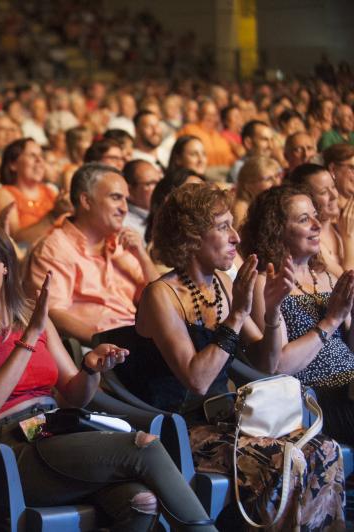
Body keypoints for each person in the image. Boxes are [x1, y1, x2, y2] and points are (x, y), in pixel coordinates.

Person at [0, 218, 216, 531]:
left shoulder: (30, 315)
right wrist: (29, 339)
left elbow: (73, 393)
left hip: (56, 429)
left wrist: (91, 369)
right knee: (144, 447)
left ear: (3, 264)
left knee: (140, 503)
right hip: (8, 450)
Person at [129, 183, 344, 528]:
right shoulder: (161, 294)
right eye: (222, 226)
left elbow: (265, 363)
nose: (236, 238)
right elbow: (197, 380)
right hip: (180, 427)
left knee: (324, 449)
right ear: (191, 236)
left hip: (229, 422)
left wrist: (272, 313)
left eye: (233, 224)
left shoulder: (223, 286)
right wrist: (236, 317)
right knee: (285, 460)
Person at [241, 185, 354, 446]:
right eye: (304, 219)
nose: (317, 224)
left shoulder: (326, 276)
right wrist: (331, 321)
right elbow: (279, 366)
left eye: (315, 215)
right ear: (277, 230)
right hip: (313, 397)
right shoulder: (264, 283)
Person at [25, 163, 159, 345]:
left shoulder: (121, 244)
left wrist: (142, 256)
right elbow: (52, 314)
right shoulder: (55, 249)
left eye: (126, 199)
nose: (125, 208)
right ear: (86, 201)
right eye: (116, 198)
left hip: (136, 340)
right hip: (98, 352)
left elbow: (161, 301)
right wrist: (106, 343)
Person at [0, 138, 70, 247]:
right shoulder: (4, 195)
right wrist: (52, 216)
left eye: (41, 156)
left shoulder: (50, 192)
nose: (40, 161)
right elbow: (16, 241)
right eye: (32, 155)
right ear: (13, 164)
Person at [284, 163, 350, 277]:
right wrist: (348, 238)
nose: (334, 195)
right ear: (307, 198)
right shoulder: (311, 241)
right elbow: (349, 283)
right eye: (324, 192)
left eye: (333, 187)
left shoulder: (341, 226)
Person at [230, 156, 282, 229]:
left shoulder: (267, 202)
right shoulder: (241, 211)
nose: (276, 183)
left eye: (277, 176)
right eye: (268, 179)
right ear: (248, 185)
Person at [122, 159, 162, 238]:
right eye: (151, 184)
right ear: (129, 191)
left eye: (159, 183)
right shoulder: (125, 224)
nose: (159, 188)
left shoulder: (162, 216)